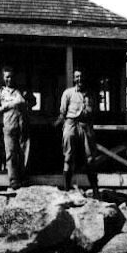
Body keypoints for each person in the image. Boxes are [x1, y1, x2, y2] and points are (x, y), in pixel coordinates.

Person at [54, 68, 100, 198]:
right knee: (68, 157)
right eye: (77, 77)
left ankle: (95, 190)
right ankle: (67, 189)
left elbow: (95, 111)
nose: (80, 79)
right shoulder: (68, 93)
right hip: (71, 123)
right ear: (74, 79)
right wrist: (57, 123)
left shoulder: (91, 94)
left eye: (82, 76)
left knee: (90, 159)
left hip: (85, 125)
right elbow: (62, 112)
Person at [0, 66, 35, 189]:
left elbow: (34, 102)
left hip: (23, 125)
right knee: (11, 153)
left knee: (24, 152)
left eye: (11, 76)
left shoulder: (21, 90)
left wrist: (25, 100)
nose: (9, 79)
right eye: (7, 76)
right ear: (3, 78)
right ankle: (13, 180)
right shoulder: (0, 93)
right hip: (9, 125)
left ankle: (23, 178)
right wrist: (10, 105)